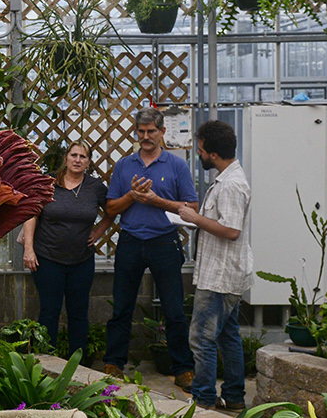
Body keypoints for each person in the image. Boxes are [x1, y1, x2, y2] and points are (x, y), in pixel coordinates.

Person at [103, 108, 198, 388]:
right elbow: (110, 208)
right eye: (141, 131)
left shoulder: (176, 165)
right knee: (121, 306)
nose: (145, 137)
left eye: (151, 131)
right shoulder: (124, 165)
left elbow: (191, 208)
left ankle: (182, 368)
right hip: (130, 240)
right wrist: (132, 196)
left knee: (174, 309)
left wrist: (156, 200)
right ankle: (113, 362)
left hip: (164, 242)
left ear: (162, 132)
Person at [177, 120, 252, 412]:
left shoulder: (231, 185)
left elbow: (231, 230)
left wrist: (195, 219)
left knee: (201, 338)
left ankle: (204, 399)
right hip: (222, 273)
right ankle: (234, 397)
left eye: (201, 150)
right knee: (227, 335)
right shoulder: (226, 178)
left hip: (220, 278)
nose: (199, 153)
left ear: (213, 154)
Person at [19, 142, 114, 359]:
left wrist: (98, 233)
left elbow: (111, 212)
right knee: (49, 313)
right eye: (74, 155)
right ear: (66, 158)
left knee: (79, 314)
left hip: (81, 260)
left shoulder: (95, 187)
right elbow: (31, 214)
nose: (77, 159)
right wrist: (29, 250)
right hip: (47, 259)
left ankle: (77, 364)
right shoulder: (48, 183)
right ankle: (45, 362)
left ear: (89, 162)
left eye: (83, 156)